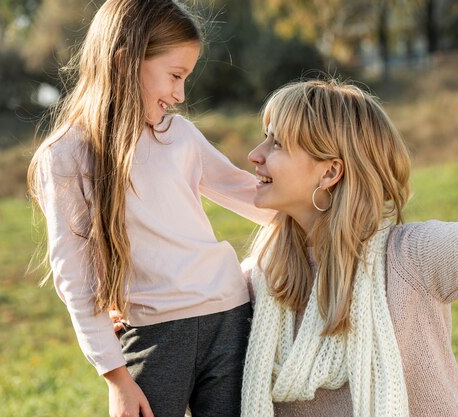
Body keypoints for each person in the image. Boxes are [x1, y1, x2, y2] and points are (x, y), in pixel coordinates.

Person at [240, 78, 458, 417]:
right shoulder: (260, 280)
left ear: (330, 172)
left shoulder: (406, 258)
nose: (255, 155)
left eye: (277, 143)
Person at [27, 1, 274, 416]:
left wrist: (332, 210)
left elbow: (249, 194)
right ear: (124, 63)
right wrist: (116, 377)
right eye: (175, 76)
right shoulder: (66, 155)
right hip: (152, 335)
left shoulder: (180, 136)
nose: (180, 95)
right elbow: (75, 279)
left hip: (229, 318)